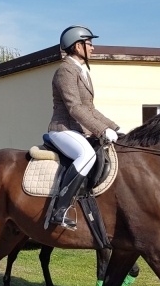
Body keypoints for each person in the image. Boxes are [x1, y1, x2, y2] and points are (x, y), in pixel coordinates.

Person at [46, 25, 120, 230]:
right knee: (86, 155)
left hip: (77, 131)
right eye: (89, 44)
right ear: (78, 46)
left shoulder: (82, 71)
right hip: (62, 129)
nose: (93, 48)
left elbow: (90, 109)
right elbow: (74, 107)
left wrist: (114, 127)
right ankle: (59, 210)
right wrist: (101, 130)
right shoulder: (65, 71)